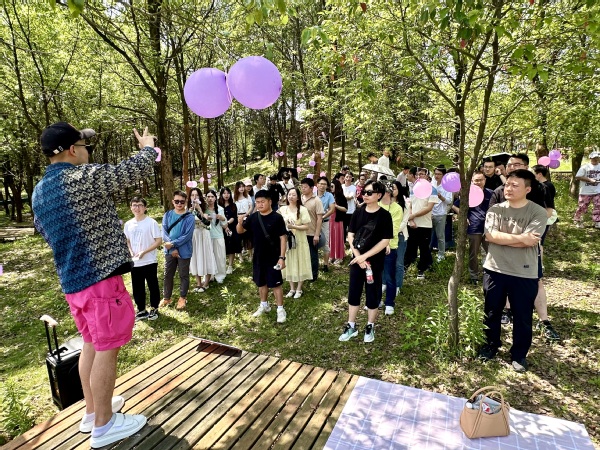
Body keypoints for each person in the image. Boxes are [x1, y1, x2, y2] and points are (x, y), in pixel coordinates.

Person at [32, 122, 154, 447]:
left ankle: (92, 411)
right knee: (107, 348)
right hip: (100, 281)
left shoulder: (39, 192)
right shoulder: (80, 177)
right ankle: (104, 424)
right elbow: (130, 171)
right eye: (85, 146)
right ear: (73, 150)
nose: (88, 152)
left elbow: (43, 231)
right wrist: (148, 148)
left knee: (91, 342)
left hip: (73, 284)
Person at [478, 170, 547, 372]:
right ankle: (491, 345)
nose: (508, 188)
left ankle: (519, 355)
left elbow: (530, 241)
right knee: (491, 311)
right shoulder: (495, 210)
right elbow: (490, 236)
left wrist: (504, 239)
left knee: (522, 315)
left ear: (528, 189)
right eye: (507, 184)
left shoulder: (537, 212)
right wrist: (521, 239)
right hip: (495, 268)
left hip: (524, 272)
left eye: (515, 185)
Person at [339, 180, 393, 343]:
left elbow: (385, 241)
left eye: (369, 192)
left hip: (375, 262)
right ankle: (351, 325)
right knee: (354, 292)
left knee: (373, 293)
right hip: (357, 261)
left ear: (379, 195)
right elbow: (350, 235)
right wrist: (358, 256)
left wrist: (365, 256)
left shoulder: (385, 216)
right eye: (364, 192)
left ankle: (370, 325)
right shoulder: (358, 212)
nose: (366, 195)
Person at [237, 190, 288, 323]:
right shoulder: (254, 217)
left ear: (269, 202)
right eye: (257, 202)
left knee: (276, 284)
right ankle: (264, 305)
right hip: (258, 256)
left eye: (262, 202)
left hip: (274, 256)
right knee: (261, 282)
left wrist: (282, 257)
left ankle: (280, 309)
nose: (260, 204)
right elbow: (240, 231)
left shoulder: (277, 218)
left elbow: (283, 237)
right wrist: (240, 222)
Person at [123, 196, 162, 321]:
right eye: (134, 205)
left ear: (145, 208)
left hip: (149, 260)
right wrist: (131, 252)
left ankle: (154, 308)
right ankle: (141, 310)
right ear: (131, 208)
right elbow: (127, 241)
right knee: (137, 287)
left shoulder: (151, 222)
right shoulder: (128, 224)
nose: (137, 208)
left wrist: (144, 252)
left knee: (152, 285)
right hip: (135, 262)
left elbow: (158, 241)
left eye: (140, 205)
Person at [452, 172, 493, 284]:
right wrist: (463, 216)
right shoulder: (468, 193)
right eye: (476, 180)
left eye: (481, 180)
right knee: (473, 253)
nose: (479, 182)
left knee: (491, 253)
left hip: (489, 228)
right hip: (474, 227)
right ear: (472, 181)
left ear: (485, 180)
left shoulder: (491, 193)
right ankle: (474, 276)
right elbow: (454, 205)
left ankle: (490, 274)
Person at [161, 190, 195, 310]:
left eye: (182, 201)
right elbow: (164, 232)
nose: (179, 204)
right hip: (169, 251)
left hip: (184, 250)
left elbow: (187, 236)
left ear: (186, 202)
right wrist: (172, 248)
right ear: (173, 202)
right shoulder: (167, 215)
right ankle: (166, 297)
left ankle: (182, 297)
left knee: (183, 274)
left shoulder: (190, 217)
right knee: (168, 274)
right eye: (177, 201)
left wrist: (173, 244)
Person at [404, 168, 439, 279]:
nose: (419, 176)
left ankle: (422, 269)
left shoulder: (432, 190)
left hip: (425, 224)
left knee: (424, 248)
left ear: (427, 176)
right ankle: (405, 266)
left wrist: (413, 216)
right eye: (418, 174)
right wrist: (410, 219)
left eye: (422, 174)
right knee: (410, 247)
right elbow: (410, 205)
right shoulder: (414, 188)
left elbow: (429, 208)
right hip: (412, 224)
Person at [279, 188, 312, 298]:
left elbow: (306, 226)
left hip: (300, 240)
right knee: (289, 261)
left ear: (298, 197)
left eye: (294, 195)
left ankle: (299, 288)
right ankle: (292, 288)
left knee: (300, 261)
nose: (291, 197)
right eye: (289, 194)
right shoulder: (282, 209)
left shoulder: (302, 209)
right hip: (287, 241)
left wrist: (293, 226)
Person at [378, 182, 403, 315]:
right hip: (374, 247)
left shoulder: (397, 208)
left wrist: (385, 242)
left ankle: (389, 303)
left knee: (389, 276)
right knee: (375, 276)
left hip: (390, 247)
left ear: (387, 192)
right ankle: (376, 300)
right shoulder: (375, 205)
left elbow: (393, 228)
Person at [188, 188, 216, 292]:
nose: (194, 197)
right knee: (195, 257)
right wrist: (190, 212)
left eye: (196, 195)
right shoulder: (188, 210)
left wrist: (199, 210)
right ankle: (198, 283)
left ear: (200, 196)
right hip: (194, 236)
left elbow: (207, 223)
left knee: (206, 256)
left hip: (204, 234)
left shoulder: (206, 208)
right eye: (192, 195)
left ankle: (206, 283)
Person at [300, 177, 324, 281]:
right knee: (302, 254)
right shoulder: (300, 198)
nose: (303, 189)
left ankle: (314, 275)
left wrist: (316, 234)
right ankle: (304, 273)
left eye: (305, 187)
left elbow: (319, 219)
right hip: (300, 231)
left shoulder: (316, 200)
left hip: (311, 232)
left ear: (311, 188)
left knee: (312, 254)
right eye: (301, 187)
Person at [205, 189, 228, 283]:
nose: (210, 199)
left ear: (215, 198)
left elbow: (225, 225)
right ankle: (209, 276)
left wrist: (222, 218)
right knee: (208, 257)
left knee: (220, 257)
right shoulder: (203, 209)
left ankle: (220, 276)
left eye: (212, 197)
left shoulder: (220, 209)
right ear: (205, 198)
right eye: (208, 197)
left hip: (218, 236)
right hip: (207, 236)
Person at [431, 166, 453, 261]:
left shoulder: (447, 187)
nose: (437, 176)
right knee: (428, 235)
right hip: (430, 212)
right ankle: (427, 253)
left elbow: (449, 201)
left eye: (439, 174)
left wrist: (441, 197)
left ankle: (441, 254)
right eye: (435, 174)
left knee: (440, 236)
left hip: (441, 213)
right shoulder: (432, 184)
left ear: (443, 175)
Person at [573, 150, 600, 229]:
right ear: (590, 158)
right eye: (594, 158)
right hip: (585, 191)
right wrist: (589, 180)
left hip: (597, 191)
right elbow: (578, 176)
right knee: (582, 206)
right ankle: (578, 221)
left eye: (597, 158)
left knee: (598, 206)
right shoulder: (585, 167)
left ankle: (597, 222)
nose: (595, 159)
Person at [392, 181, 409, 294]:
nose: (392, 191)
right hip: (387, 237)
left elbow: (404, 221)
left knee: (399, 262)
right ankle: (385, 283)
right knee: (387, 262)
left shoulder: (405, 204)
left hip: (400, 235)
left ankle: (398, 285)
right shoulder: (385, 203)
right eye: (391, 189)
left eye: (394, 188)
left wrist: (393, 231)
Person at [219, 186, 241, 274]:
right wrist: (224, 225)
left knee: (232, 246)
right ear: (221, 194)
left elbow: (234, 217)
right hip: (220, 228)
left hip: (231, 228)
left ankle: (230, 266)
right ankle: (222, 265)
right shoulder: (218, 205)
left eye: (228, 193)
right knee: (222, 247)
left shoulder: (233, 205)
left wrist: (227, 223)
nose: (226, 195)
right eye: (224, 193)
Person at [317, 176, 335, 272]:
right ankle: (314, 263)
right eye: (321, 184)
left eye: (324, 184)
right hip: (313, 222)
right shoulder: (313, 195)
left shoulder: (329, 195)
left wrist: (322, 217)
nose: (322, 186)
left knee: (325, 243)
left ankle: (325, 264)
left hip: (324, 222)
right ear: (317, 185)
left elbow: (332, 209)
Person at [329, 179, 348, 265]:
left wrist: (336, 206)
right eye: (330, 186)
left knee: (338, 238)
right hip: (330, 220)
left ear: (336, 187)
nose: (331, 188)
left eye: (332, 186)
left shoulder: (341, 197)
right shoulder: (330, 196)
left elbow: (345, 209)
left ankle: (339, 256)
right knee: (331, 238)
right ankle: (332, 255)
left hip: (338, 220)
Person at [342, 172, 357, 240]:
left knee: (351, 229)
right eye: (347, 177)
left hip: (351, 211)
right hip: (342, 210)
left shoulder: (353, 187)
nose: (348, 178)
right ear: (344, 178)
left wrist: (341, 197)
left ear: (352, 178)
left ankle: (352, 243)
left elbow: (350, 197)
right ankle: (342, 243)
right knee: (343, 229)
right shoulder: (341, 186)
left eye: (350, 177)